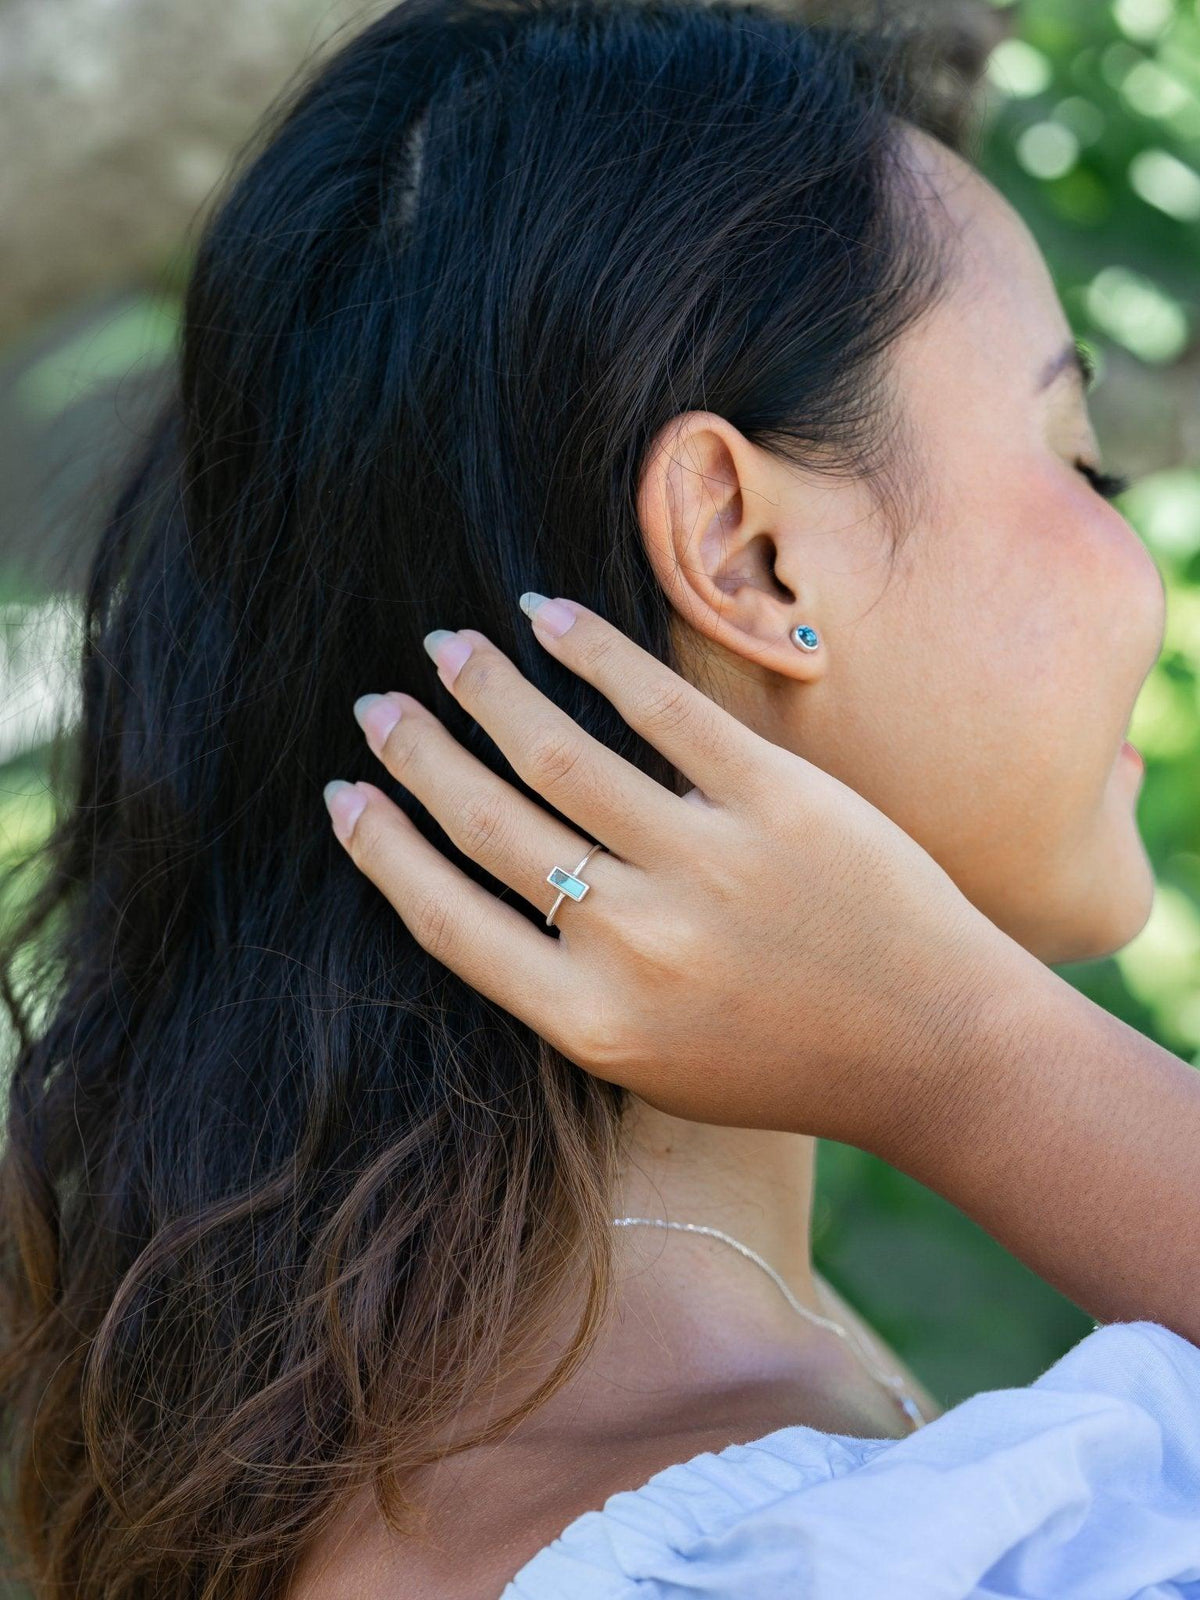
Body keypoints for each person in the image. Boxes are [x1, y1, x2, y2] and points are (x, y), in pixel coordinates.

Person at [2, 0, 1198, 1596]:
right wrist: (965, 1056)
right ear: (746, 552)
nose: (1146, 567)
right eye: (1079, 458)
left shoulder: (391, 1427)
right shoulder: (872, 1553)